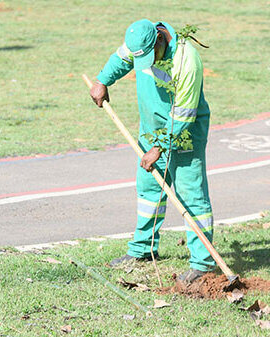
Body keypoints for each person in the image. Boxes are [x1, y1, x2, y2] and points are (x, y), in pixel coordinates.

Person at [90, 19, 214, 283]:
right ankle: (142, 249)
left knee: (191, 194)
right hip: (151, 130)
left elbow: (184, 115)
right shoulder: (140, 40)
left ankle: (202, 264)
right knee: (149, 190)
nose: (145, 63)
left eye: (149, 56)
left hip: (185, 131)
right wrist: (102, 81)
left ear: (160, 39)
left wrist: (160, 148)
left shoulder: (186, 60)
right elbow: (120, 59)